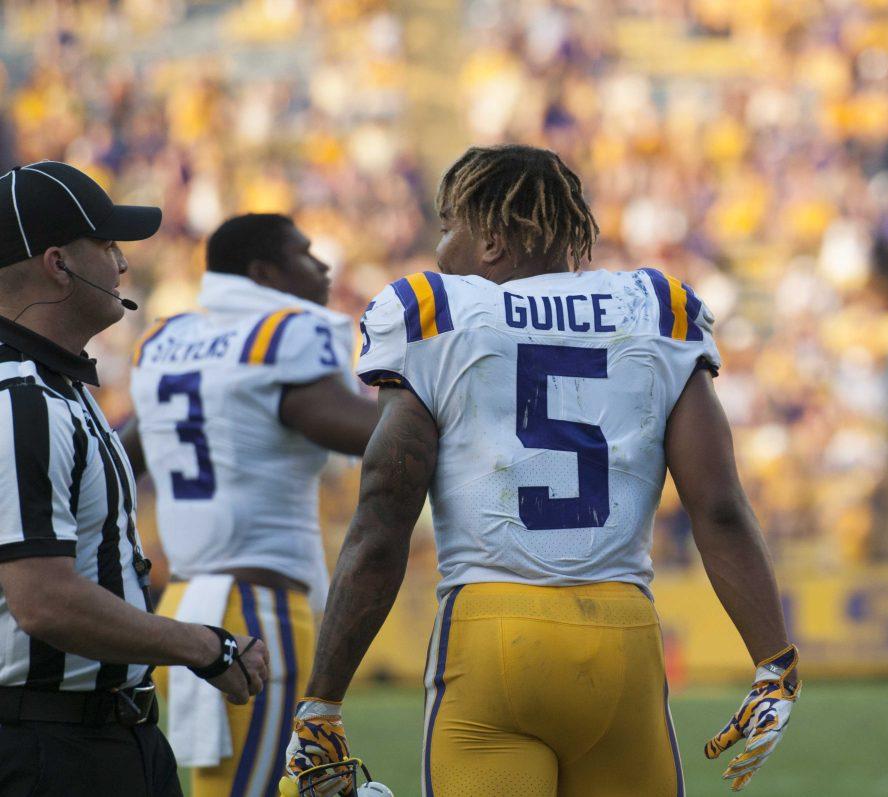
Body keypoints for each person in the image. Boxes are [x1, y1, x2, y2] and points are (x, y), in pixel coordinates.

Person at [280, 145, 799, 796]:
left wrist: (322, 701)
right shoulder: (657, 307)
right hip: (624, 638)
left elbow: (383, 512)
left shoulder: (433, 311)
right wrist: (772, 659)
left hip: (494, 634)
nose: (442, 249)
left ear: (492, 241)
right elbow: (718, 504)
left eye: (450, 228)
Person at [0, 161, 268, 796]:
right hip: (49, 747)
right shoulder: (20, 398)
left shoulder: (58, 387)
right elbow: (44, 600)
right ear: (58, 263)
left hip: (107, 734)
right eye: (108, 245)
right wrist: (203, 646)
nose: (122, 265)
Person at [121, 213, 379, 797]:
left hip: (189, 599)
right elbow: (361, 430)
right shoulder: (282, 335)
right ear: (265, 272)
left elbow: (122, 454)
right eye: (305, 254)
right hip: (256, 608)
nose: (323, 266)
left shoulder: (171, 338)